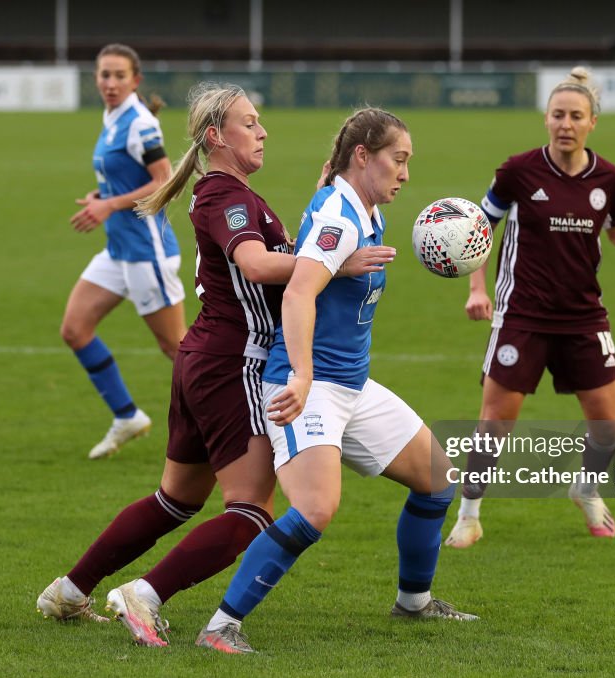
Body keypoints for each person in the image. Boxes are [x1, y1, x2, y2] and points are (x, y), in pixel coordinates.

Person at [37, 83, 389, 644]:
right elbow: (254, 264)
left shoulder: (232, 192)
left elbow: (277, 256)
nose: (263, 131)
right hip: (233, 364)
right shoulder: (226, 196)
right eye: (249, 123)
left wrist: (321, 212)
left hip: (202, 358)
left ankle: (69, 591)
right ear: (215, 136)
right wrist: (336, 263)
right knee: (252, 511)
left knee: (175, 500)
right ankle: (143, 596)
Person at [196, 107, 478, 656]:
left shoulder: (356, 204)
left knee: (438, 478)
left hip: (352, 384)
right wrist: (301, 376)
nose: (405, 173)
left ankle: (414, 602)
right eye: (398, 160)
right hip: (311, 385)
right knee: (316, 508)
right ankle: (221, 626)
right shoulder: (341, 217)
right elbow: (300, 292)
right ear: (362, 157)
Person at [444, 67, 615, 549]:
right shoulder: (518, 171)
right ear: (546, 119)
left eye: (576, 116)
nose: (566, 123)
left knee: (609, 425)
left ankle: (586, 486)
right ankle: (469, 514)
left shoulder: (608, 178)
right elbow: (475, 227)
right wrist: (477, 289)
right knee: (495, 422)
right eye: (558, 114)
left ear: (592, 122)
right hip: (522, 314)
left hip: (583, 316)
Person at [60, 43, 187, 460]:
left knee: (180, 351)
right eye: (104, 75)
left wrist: (108, 204)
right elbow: (129, 176)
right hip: (119, 252)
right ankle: (127, 416)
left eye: (118, 75)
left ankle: (235, 420)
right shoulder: (113, 117)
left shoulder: (140, 124)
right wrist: (105, 193)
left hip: (146, 254)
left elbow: (165, 180)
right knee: (75, 329)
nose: (110, 83)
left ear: (135, 80)